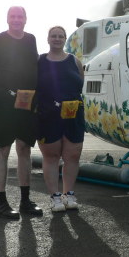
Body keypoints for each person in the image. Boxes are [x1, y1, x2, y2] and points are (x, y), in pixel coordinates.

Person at [0, 6, 42, 219]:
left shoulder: (31, 39)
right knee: (3, 149)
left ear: (26, 19)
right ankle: (0, 202)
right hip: (3, 102)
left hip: (26, 101)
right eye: (12, 16)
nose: (16, 20)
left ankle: (25, 201)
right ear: (7, 19)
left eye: (20, 16)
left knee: (24, 148)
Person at [36, 26, 85, 212]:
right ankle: (55, 197)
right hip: (48, 114)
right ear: (48, 39)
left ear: (65, 39)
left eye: (60, 36)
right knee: (51, 156)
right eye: (53, 36)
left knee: (72, 156)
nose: (57, 39)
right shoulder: (39, 61)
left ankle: (69, 194)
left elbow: (80, 84)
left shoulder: (74, 61)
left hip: (73, 114)